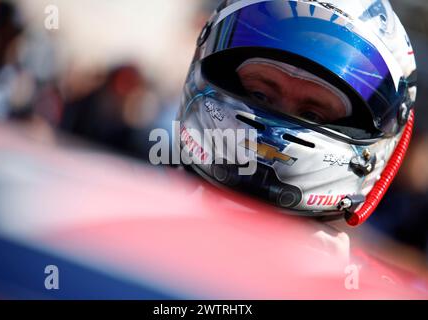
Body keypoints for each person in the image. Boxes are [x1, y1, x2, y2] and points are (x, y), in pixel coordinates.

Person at [177, 0, 417, 226]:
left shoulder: (343, 267)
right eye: (260, 95)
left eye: (312, 114)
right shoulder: (143, 201)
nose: (272, 133)